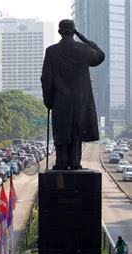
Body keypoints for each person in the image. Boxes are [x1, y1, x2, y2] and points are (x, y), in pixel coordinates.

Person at [41, 19, 105, 170]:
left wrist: (48, 100)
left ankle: (62, 162)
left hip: (60, 99)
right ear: (73, 31)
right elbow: (100, 56)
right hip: (80, 100)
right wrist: (85, 39)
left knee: (62, 131)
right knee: (76, 131)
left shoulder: (52, 51)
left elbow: (46, 78)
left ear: (59, 32)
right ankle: (75, 162)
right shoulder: (83, 50)